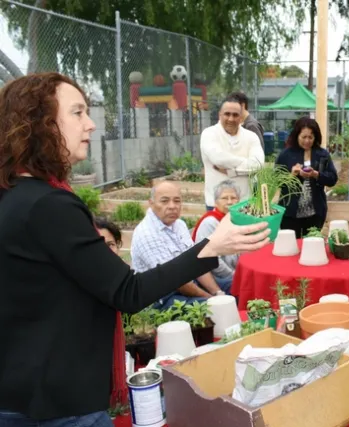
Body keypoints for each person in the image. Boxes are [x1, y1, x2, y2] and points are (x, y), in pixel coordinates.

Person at [0, 72, 270, 427]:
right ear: (40, 124)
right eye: (78, 113)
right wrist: (212, 245)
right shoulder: (49, 206)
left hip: (21, 388)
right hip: (60, 402)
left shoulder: (13, 195)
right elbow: (128, 291)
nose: (92, 124)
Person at [131, 181, 226, 309]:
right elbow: (174, 281)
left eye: (177, 201)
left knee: (236, 286)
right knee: (213, 308)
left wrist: (217, 293)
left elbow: (196, 263)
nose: (172, 206)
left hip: (190, 281)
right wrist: (210, 299)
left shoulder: (179, 224)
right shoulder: (146, 234)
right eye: (164, 201)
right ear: (151, 203)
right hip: (164, 296)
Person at [275, 116, 338, 238]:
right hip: (290, 212)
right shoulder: (285, 155)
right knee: (291, 246)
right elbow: (277, 180)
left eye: (311, 137)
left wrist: (316, 174)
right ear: (296, 136)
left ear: (316, 137)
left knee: (313, 246)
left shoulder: (322, 154)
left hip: (315, 212)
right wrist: (292, 174)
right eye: (303, 137)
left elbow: (332, 179)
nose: (307, 141)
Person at [200, 95, 264, 210]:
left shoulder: (251, 137)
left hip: (244, 203)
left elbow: (258, 165)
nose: (231, 119)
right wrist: (248, 163)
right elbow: (218, 159)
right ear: (220, 114)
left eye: (235, 115)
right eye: (227, 114)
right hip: (216, 205)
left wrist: (231, 172)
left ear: (241, 117)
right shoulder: (209, 134)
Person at [192, 180, 242, 293]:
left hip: (233, 273)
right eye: (224, 198)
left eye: (233, 198)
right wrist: (235, 276)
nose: (230, 202)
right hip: (216, 279)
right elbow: (212, 261)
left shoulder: (236, 220)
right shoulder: (210, 222)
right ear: (215, 202)